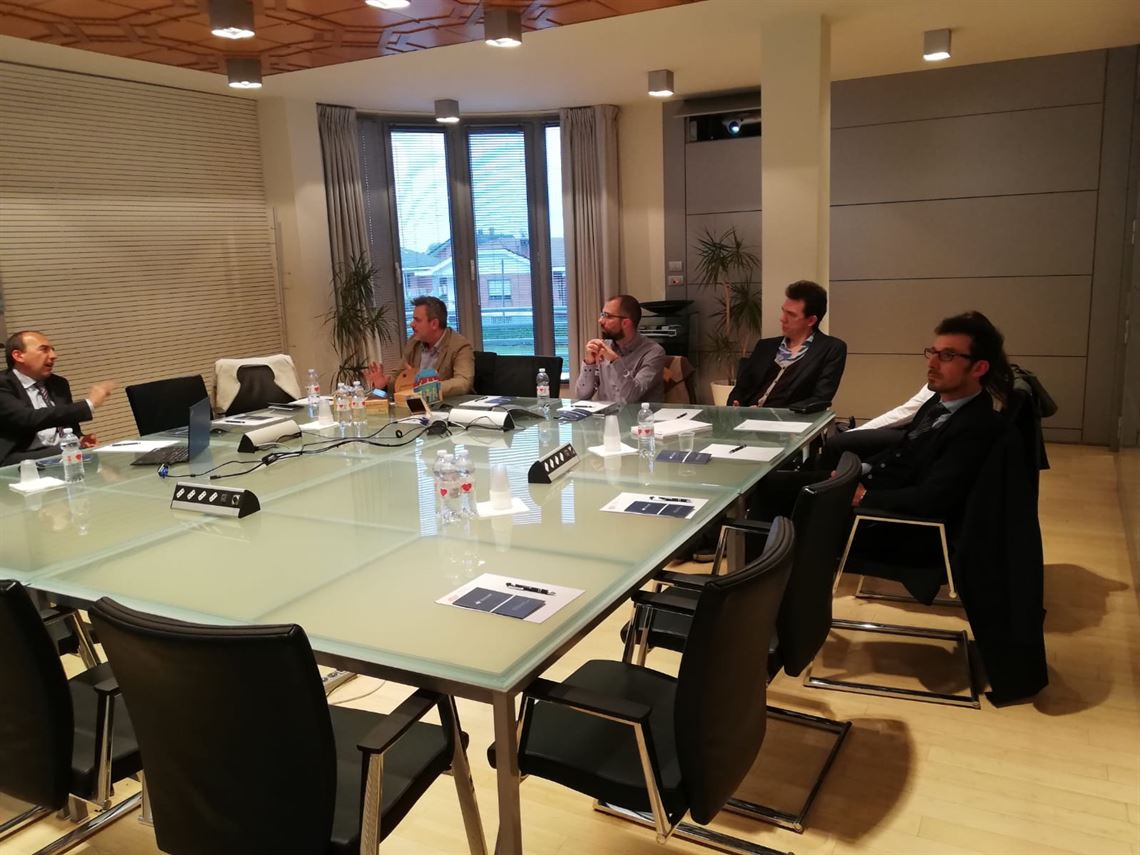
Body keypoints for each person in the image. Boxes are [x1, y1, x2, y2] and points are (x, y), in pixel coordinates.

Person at [0, 330, 114, 467]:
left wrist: (81, 438)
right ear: (18, 355)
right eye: (44, 350)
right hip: (18, 459)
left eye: (53, 350)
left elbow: (68, 424)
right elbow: (28, 418)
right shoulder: (3, 384)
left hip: (62, 456)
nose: (54, 356)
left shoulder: (59, 383)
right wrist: (89, 404)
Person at [728, 280, 847, 408]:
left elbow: (820, 399)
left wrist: (768, 414)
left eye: (791, 314)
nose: (782, 318)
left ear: (811, 320)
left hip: (789, 418)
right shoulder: (765, 346)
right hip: (747, 416)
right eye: (784, 311)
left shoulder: (830, 349)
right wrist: (736, 403)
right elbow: (741, 388)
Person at [365, 296, 474, 400]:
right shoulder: (414, 342)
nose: (412, 324)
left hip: (446, 407)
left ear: (434, 324)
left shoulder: (459, 346)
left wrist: (427, 386)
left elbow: (463, 383)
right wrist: (383, 383)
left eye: (417, 320)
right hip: (416, 406)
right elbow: (399, 377)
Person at [573, 294, 668, 404]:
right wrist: (589, 363)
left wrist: (615, 361)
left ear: (625, 323)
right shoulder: (604, 346)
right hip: (605, 414)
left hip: (638, 414)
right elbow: (582, 396)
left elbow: (631, 397)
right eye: (602, 315)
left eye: (607, 316)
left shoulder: (653, 352)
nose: (600, 320)